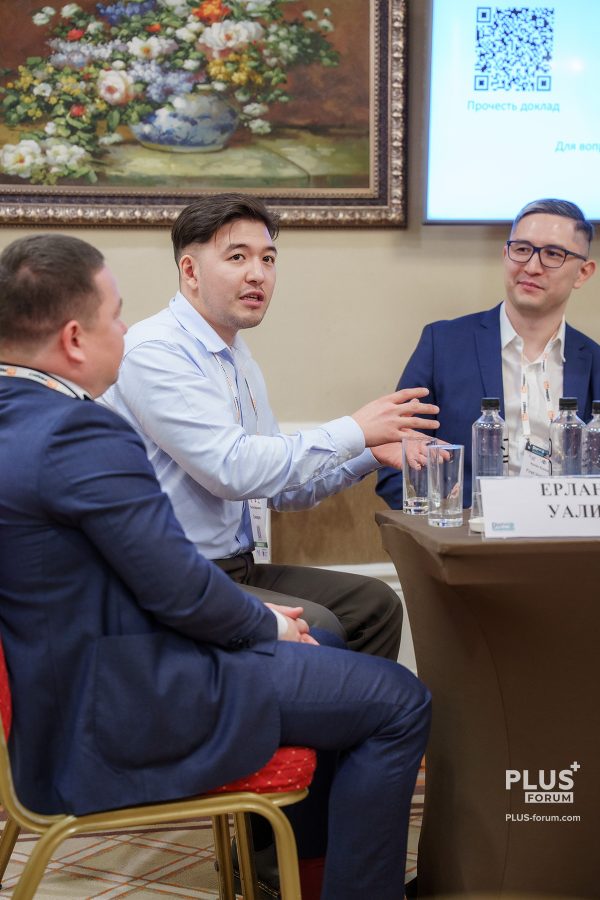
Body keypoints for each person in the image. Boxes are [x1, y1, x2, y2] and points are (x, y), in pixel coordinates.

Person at [0, 233, 431, 900]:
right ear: (76, 339)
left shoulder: (21, 417)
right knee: (399, 700)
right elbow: (176, 587)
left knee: (344, 640)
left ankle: (306, 873)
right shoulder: (77, 433)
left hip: (64, 684)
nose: (126, 331)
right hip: (121, 699)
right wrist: (268, 625)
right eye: (116, 316)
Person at [102, 193, 439, 661]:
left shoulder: (236, 357)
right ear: (190, 271)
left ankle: (350, 708)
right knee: (317, 626)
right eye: (237, 257)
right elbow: (233, 471)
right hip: (171, 577)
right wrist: (355, 429)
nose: (258, 274)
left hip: (234, 567)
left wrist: (368, 454)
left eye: (268, 259)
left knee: (374, 605)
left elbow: (279, 490)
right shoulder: (156, 352)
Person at [377, 198, 600, 508]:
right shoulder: (443, 344)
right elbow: (395, 469)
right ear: (505, 254)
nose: (531, 267)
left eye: (553, 254)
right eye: (521, 249)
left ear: (583, 273)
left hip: (565, 532)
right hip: (467, 529)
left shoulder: (594, 360)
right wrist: (474, 515)